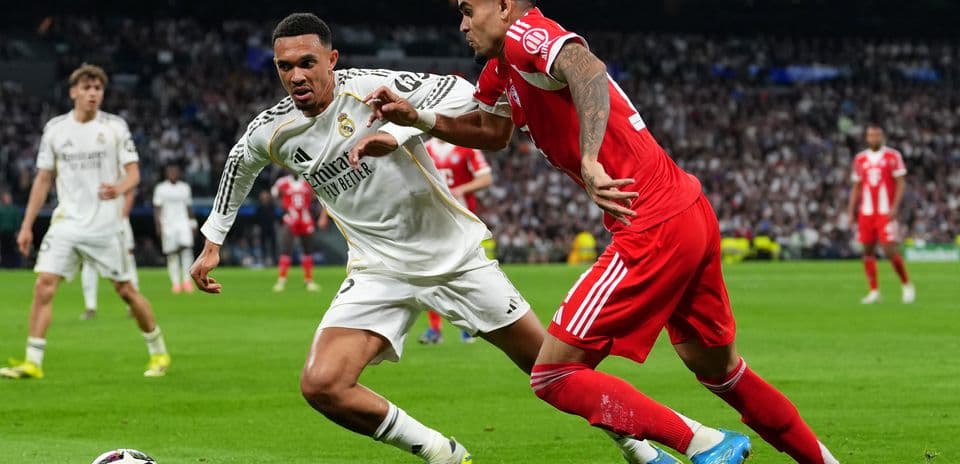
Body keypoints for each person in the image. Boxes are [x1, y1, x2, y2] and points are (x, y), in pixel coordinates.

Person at [358, 1, 840, 463]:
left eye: (468, 10)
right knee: (722, 372)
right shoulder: (500, 70)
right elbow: (491, 132)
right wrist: (417, 119)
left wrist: (589, 157)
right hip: (688, 211)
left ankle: (703, 443)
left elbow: (586, 67)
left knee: (553, 374)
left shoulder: (528, 34)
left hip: (651, 223)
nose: (462, 24)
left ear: (504, 6)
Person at [190, 13, 677, 464]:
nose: (296, 75)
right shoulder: (271, 130)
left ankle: (638, 448)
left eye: (307, 63)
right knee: (323, 384)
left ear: (332, 61)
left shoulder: (371, 88)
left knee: (555, 371)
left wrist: (401, 131)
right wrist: (213, 242)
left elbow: (463, 96)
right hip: (378, 271)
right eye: (284, 66)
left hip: (456, 260)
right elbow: (238, 165)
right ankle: (442, 453)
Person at [1, 63, 170, 379]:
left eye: (98, 89)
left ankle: (158, 352)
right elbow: (42, 179)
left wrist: (118, 187)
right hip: (66, 223)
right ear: (73, 92)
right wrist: (26, 225)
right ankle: (32, 361)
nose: (93, 93)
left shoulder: (115, 128)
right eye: (87, 88)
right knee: (44, 285)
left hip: (106, 225)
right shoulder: (55, 129)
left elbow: (133, 173)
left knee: (125, 291)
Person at [419, 137, 493, 344]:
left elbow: (486, 178)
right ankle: (435, 330)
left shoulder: (466, 147)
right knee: (430, 275)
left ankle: (468, 327)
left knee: (465, 275)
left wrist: (462, 189)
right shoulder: (423, 148)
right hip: (433, 220)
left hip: (462, 221)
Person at [846, 125, 914, 304]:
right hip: (866, 212)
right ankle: (874, 291)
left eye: (876, 135)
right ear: (867, 138)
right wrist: (851, 211)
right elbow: (857, 186)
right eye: (870, 135)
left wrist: (894, 207)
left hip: (885, 212)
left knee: (889, 249)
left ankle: (906, 285)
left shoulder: (893, 156)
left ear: (882, 137)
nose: (873, 138)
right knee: (867, 250)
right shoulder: (860, 159)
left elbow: (901, 183)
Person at [79, 189, 140, 320]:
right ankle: (90, 307)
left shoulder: (119, 170)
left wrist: (123, 217)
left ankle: (133, 306)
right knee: (88, 262)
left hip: (117, 223)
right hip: (92, 224)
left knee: (127, 261)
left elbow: (130, 191)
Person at [270, 173, 325, 292]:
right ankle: (281, 281)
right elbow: (274, 194)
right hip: (291, 218)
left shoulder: (308, 181)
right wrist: (283, 206)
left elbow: (319, 196)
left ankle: (309, 280)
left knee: (308, 249)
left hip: (305, 218)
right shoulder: (282, 182)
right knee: (286, 249)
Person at [153, 162, 197, 294]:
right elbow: (157, 208)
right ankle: (176, 283)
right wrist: (158, 225)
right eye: (170, 171)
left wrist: (193, 224)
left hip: (183, 223)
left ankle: (187, 281)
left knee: (186, 250)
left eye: (175, 171)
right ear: (166, 173)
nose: (173, 174)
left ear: (179, 173)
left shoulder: (184, 188)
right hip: (168, 224)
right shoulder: (160, 188)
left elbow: (189, 208)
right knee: (172, 254)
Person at [0, 190, 22, 268]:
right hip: (2, 234)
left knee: (13, 250)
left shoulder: (14, 209)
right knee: (3, 250)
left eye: (8, 197)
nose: (7, 199)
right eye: (6, 197)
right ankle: (4, 265)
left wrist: (18, 231)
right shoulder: (1, 209)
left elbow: (18, 221)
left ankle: (14, 266)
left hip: (12, 234)